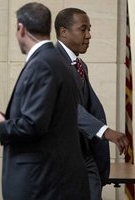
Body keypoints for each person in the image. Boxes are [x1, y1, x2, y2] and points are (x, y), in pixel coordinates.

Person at [0, 2, 90, 200]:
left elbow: (34, 125)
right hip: (51, 180)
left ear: (21, 28)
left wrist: (1, 125)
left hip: (41, 183)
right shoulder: (56, 60)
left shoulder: (43, 64)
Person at [54, 8, 129, 199]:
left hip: (85, 154)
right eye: (83, 29)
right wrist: (105, 131)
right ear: (63, 32)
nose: (89, 35)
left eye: (89, 29)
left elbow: (88, 105)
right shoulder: (51, 62)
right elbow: (67, 106)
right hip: (62, 159)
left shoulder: (80, 65)